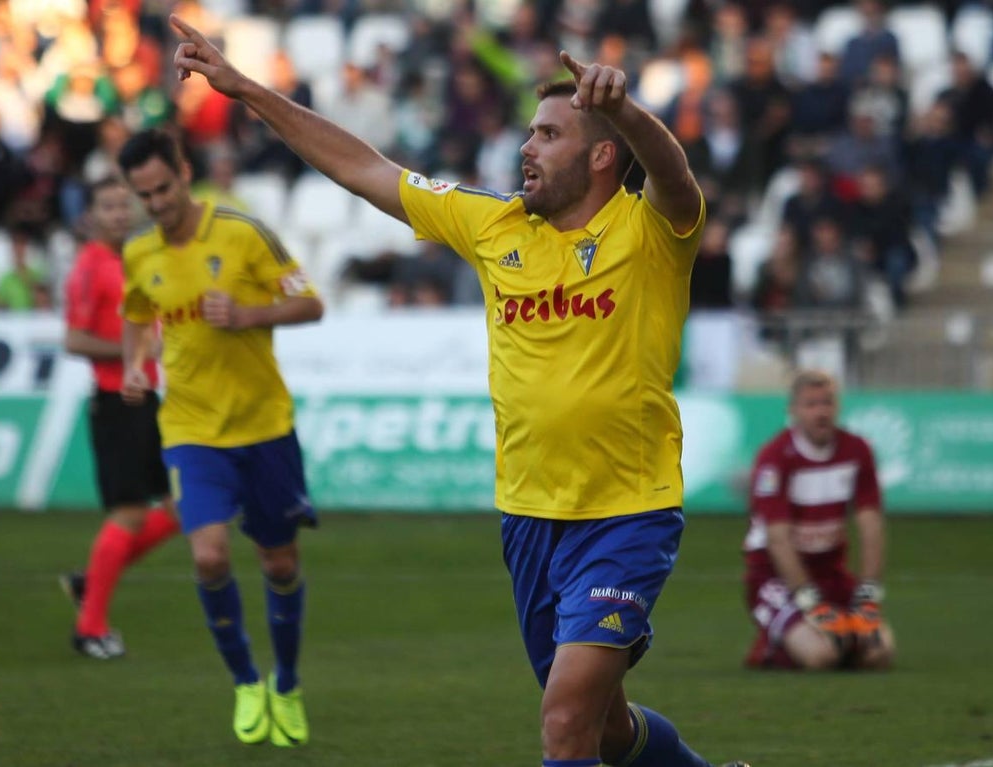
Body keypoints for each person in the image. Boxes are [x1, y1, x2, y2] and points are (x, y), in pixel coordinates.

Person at [171, 15, 749, 767]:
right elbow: (363, 167)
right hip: (529, 517)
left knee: (565, 721)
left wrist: (629, 110)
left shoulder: (649, 234)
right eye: (529, 132)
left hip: (627, 513)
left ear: (603, 152)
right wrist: (246, 90)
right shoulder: (492, 225)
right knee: (602, 726)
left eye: (548, 134)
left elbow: (675, 177)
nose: (525, 147)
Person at [116, 128, 324, 747]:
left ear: (183, 172)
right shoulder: (139, 254)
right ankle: (244, 681)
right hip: (189, 428)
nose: (156, 204)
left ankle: (286, 683)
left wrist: (247, 315)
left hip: (264, 426)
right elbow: (136, 317)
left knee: (279, 563)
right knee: (208, 556)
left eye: (162, 188)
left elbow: (310, 304)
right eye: (143, 195)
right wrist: (134, 364)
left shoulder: (242, 232)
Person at [60, 176, 179, 660]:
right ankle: (90, 629)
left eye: (122, 205)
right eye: (106, 207)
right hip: (115, 403)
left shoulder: (128, 260)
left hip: (145, 397)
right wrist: (133, 350)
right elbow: (74, 340)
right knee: (130, 512)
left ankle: (92, 581)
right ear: (90, 216)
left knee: (183, 507)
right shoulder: (90, 267)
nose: (118, 214)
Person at [741, 369, 896, 671]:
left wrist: (868, 593)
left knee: (879, 653)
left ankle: (827, 638)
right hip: (775, 577)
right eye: (811, 404)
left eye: (827, 403)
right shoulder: (775, 457)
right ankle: (770, 647)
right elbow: (778, 539)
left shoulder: (856, 450)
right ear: (794, 410)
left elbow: (871, 524)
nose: (821, 412)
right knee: (821, 656)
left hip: (831, 573)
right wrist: (808, 599)